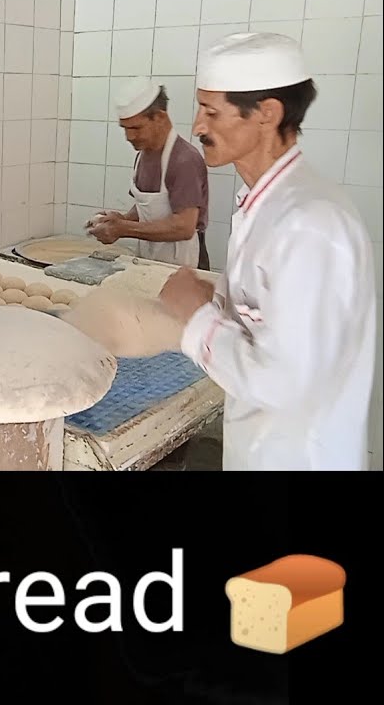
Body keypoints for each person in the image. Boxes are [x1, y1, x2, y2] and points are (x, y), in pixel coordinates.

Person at [159, 32, 377, 471]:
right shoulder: (265, 205)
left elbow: (287, 383)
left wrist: (197, 318)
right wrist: (209, 299)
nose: (198, 126)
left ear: (267, 113)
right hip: (258, 452)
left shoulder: (309, 224)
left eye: (212, 111)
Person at [84, 77, 211, 270]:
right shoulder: (143, 155)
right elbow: (147, 206)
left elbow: (184, 227)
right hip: (150, 261)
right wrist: (121, 219)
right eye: (125, 128)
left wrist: (123, 229)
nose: (129, 137)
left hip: (185, 266)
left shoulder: (184, 160)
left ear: (159, 118)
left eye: (136, 128)